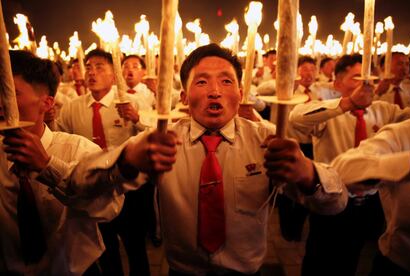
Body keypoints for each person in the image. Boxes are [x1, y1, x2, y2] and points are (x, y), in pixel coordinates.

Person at [68, 43, 348, 275]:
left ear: (240, 93)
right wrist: (125, 161)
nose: (215, 91)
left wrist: (308, 174)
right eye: (201, 81)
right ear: (184, 96)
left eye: (226, 81)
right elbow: (78, 187)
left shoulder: (267, 139)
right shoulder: (162, 140)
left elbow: (336, 202)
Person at [0, 50, 126, 275]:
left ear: (47, 102)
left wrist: (48, 167)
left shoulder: (78, 149)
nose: (1, 102)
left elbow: (110, 208)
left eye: (10, 93)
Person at [289, 54, 410, 276]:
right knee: (320, 261)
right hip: (332, 199)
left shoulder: (384, 111)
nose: (366, 83)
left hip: (370, 203)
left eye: (369, 77)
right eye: (357, 77)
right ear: (337, 83)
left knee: (354, 259)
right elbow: (296, 118)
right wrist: (349, 104)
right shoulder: (330, 111)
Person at [56, 48, 151, 275]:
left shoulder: (133, 102)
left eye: (100, 67)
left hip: (129, 189)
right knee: (104, 248)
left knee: (135, 246)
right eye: (88, 67)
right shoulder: (72, 107)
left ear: (113, 74)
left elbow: (155, 134)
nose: (92, 72)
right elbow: (60, 141)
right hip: (94, 189)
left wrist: (137, 119)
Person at [331, 118, 410, 276]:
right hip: (401, 262)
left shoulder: (388, 110)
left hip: (370, 203)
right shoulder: (403, 133)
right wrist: (407, 163)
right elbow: (341, 170)